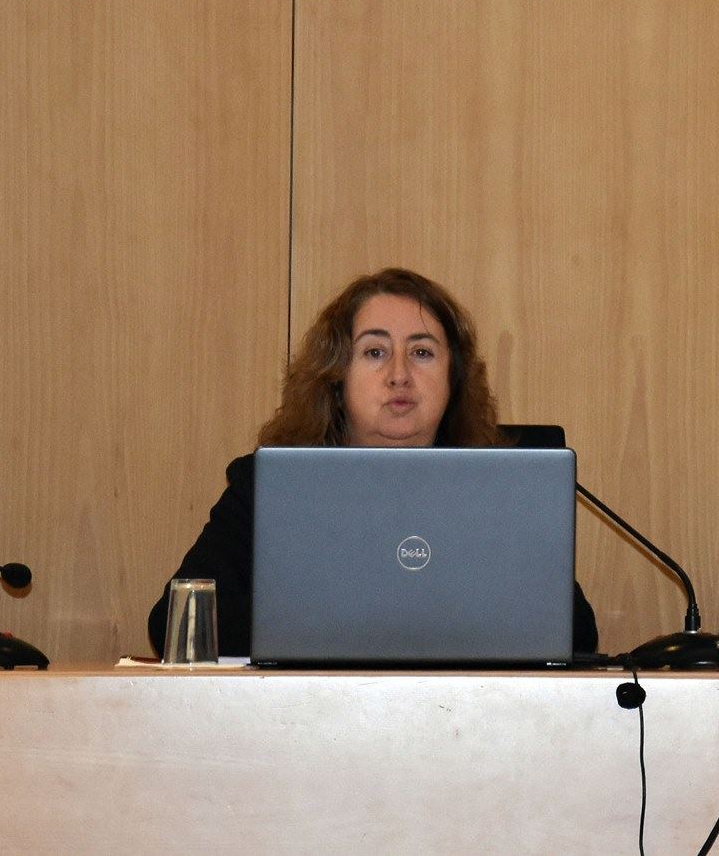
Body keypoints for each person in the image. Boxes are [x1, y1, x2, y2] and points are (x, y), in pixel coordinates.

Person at [148, 267, 598, 656]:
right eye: (375, 352)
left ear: (454, 379)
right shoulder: (270, 487)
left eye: (422, 352)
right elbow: (178, 621)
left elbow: (574, 632)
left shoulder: (503, 491)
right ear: (337, 376)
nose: (399, 374)